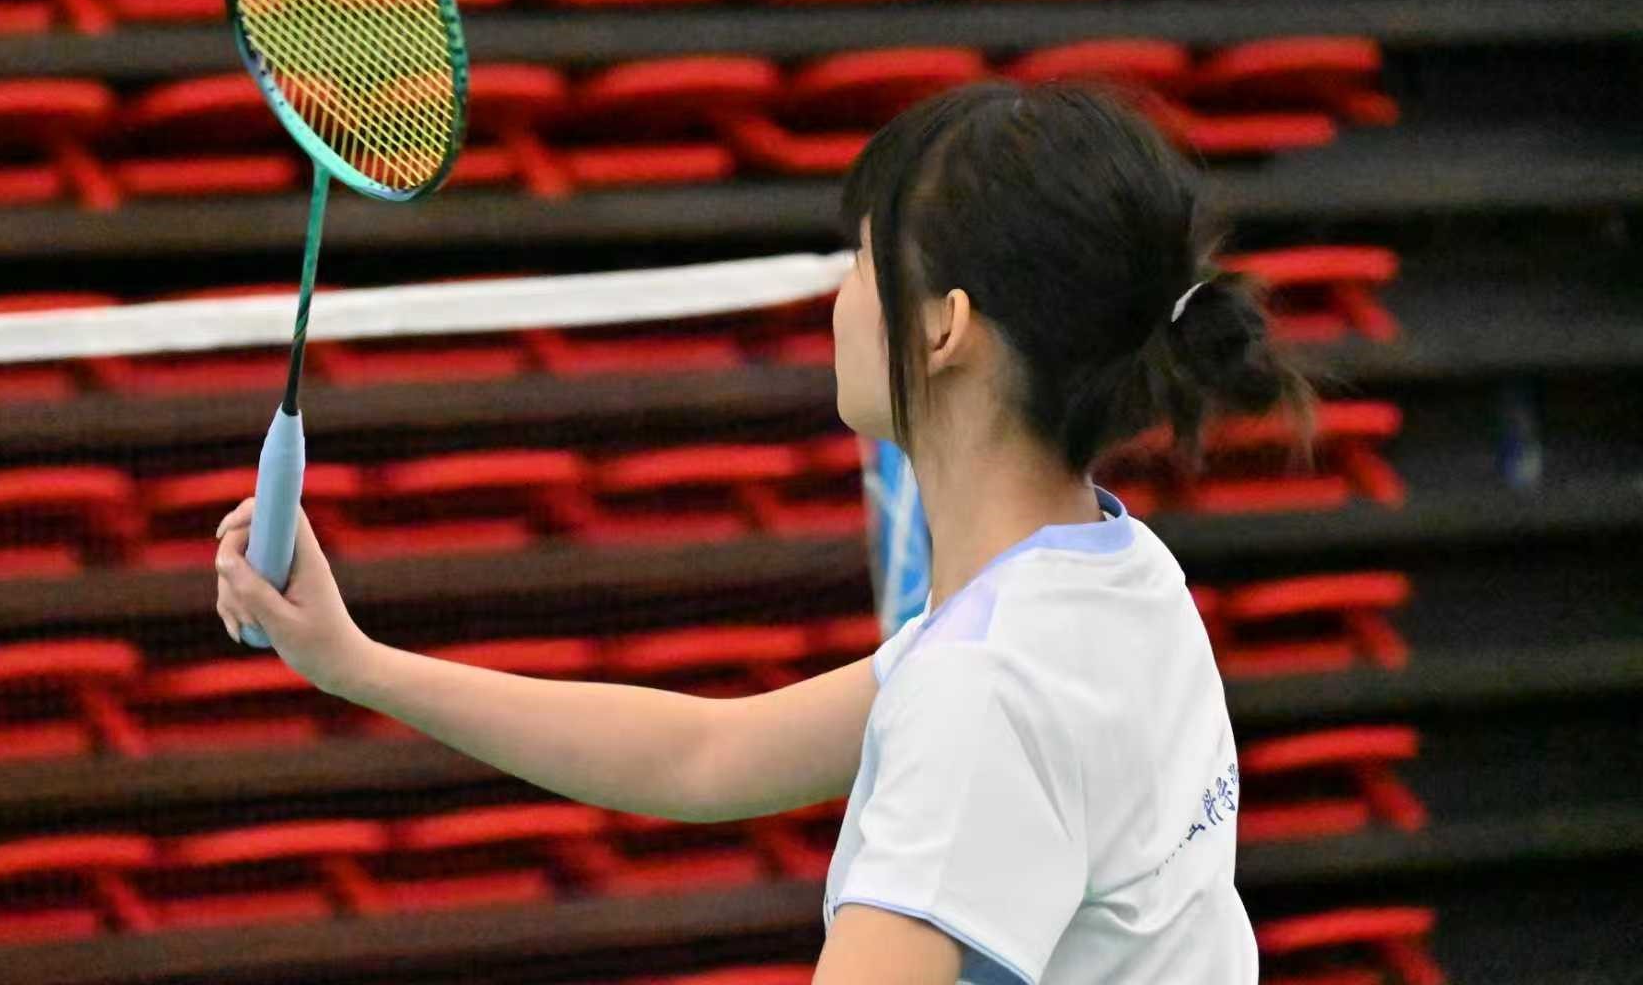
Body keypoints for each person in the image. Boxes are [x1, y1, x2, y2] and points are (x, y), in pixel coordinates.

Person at [214, 82, 1310, 984]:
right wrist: (355, 662)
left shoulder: (986, 691)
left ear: (943, 330)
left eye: (864, 263)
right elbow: (708, 755)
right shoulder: (1119, 579)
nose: (842, 298)